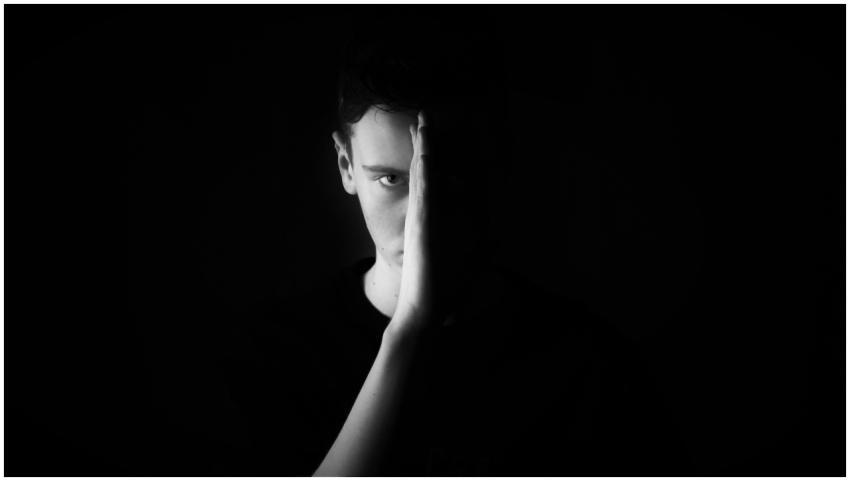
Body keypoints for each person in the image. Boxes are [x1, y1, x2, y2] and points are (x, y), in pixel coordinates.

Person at [225, 24, 693, 476]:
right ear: (346, 165)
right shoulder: (278, 358)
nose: (421, 215)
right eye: (391, 178)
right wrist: (407, 330)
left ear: (497, 162)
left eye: (449, 174)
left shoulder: (590, 372)